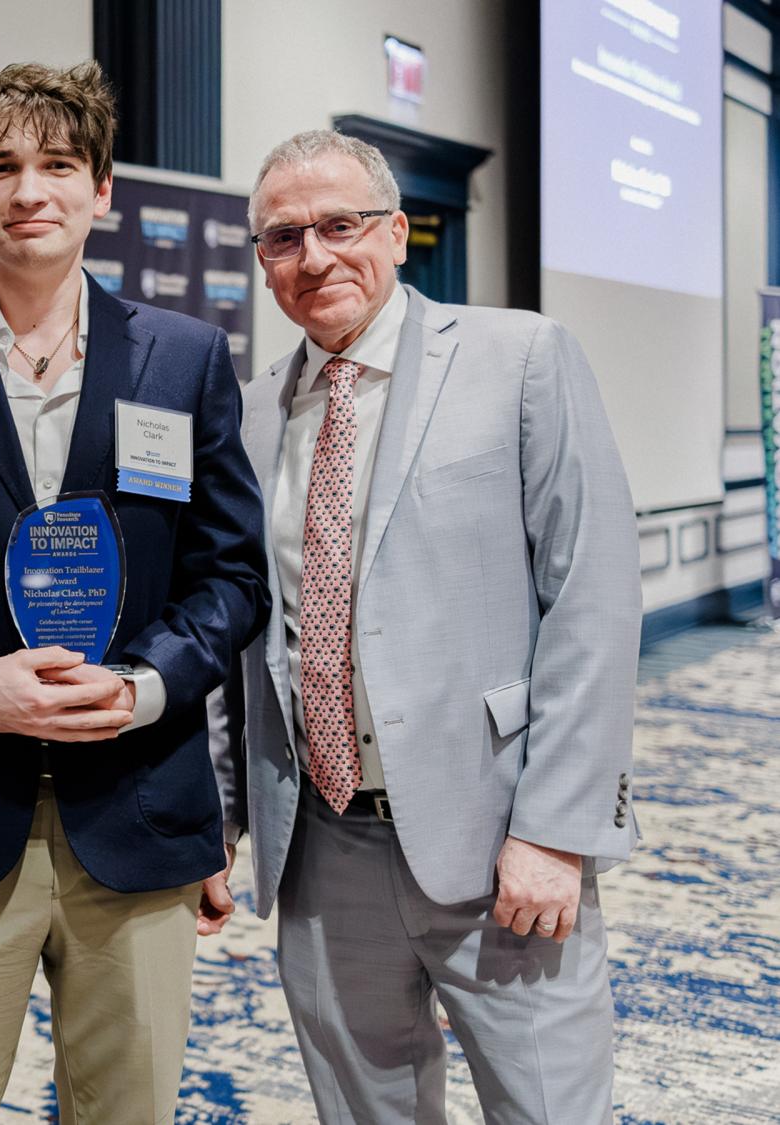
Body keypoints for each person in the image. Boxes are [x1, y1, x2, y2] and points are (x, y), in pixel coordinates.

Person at [0, 61, 268, 1125]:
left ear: (102, 190)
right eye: (2, 167)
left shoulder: (186, 358)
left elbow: (231, 574)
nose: (30, 189)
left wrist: (146, 689)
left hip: (139, 810)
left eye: (58, 165)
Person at [207, 128, 641, 1124]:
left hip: (497, 841)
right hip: (322, 848)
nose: (313, 257)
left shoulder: (520, 356)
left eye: (340, 225)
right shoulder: (251, 414)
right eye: (282, 238)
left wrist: (556, 831)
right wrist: (221, 820)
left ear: (398, 233)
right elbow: (245, 639)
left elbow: (595, 598)